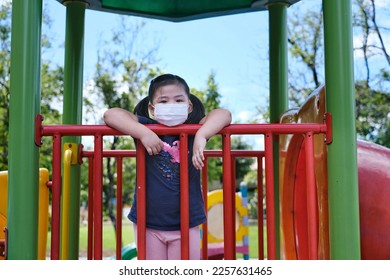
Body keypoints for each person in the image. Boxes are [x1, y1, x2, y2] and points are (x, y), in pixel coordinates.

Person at [103, 73, 232, 260]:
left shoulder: (194, 130)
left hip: (187, 224)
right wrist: (143, 133)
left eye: (179, 100)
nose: (171, 105)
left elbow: (224, 114)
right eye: (163, 101)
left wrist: (202, 136)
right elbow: (110, 115)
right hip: (148, 224)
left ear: (189, 107)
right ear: (152, 108)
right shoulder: (145, 127)